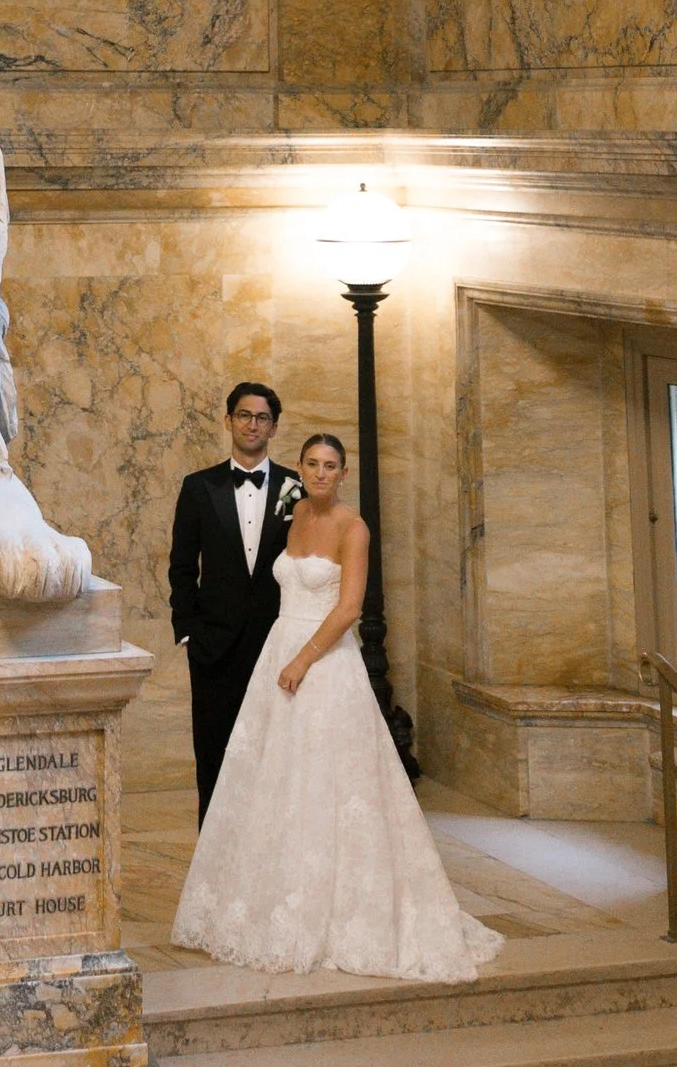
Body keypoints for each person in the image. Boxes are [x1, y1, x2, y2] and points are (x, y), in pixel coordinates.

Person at [174, 431, 501, 983]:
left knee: (328, 782)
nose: (321, 473)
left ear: (343, 474)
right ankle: (266, 903)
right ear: (299, 469)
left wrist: (302, 660)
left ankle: (336, 909)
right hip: (277, 655)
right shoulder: (293, 513)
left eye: (331, 466)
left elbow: (350, 606)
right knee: (273, 781)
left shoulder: (354, 528)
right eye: (312, 464)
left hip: (324, 664)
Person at [168, 381, 299, 818]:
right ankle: (212, 862)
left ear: (274, 429)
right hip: (213, 648)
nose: (252, 424)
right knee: (214, 757)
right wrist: (188, 632)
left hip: (275, 645)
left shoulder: (295, 489)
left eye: (262, 418)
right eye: (244, 415)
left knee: (274, 757)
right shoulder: (198, 487)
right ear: (228, 421)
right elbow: (182, 566)